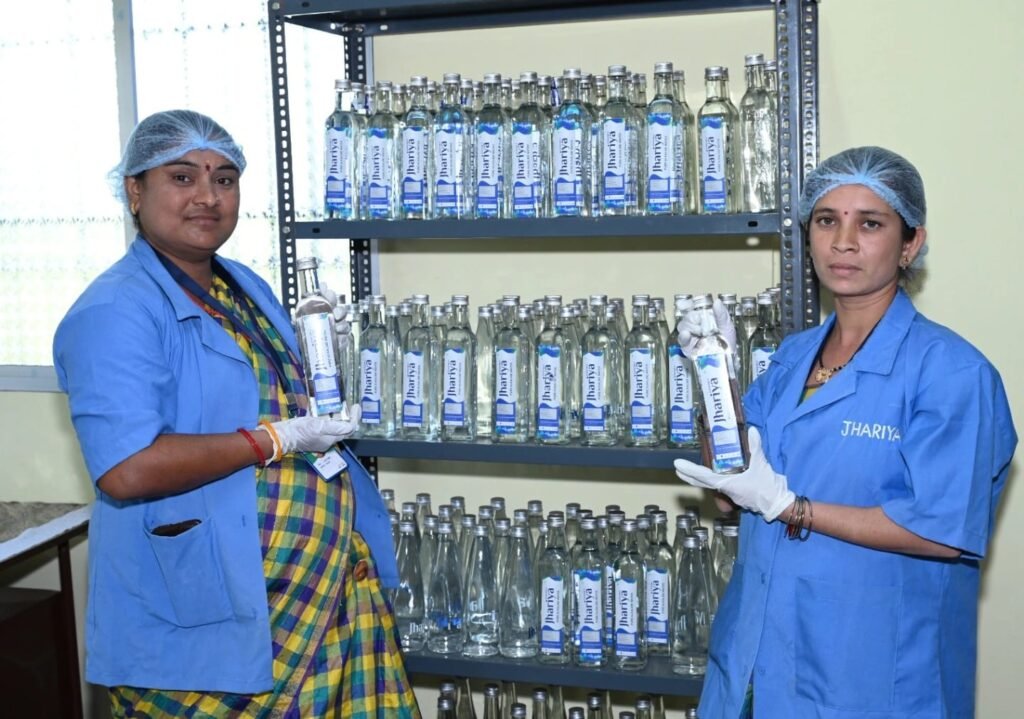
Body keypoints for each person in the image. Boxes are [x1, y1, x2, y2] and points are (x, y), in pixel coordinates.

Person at [54, 110, 420, 717]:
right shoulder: (114, 311)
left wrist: (336, 351)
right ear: (134, 191)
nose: (207, 196)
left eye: (224, 179)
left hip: (312, 585)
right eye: (182, 178)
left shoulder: (240, 284)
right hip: (208, 609)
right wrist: (270, 440)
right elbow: (126, 469)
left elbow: (278, 396)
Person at [673, 146, 1016, 718]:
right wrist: (714, 375)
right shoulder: (791, 358)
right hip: (758, 665)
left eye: (871, 224)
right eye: (827, 220)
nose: (844, 242)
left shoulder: (951, 373)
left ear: (910, 244)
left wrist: (790, 508)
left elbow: (941, 530)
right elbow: (731, 492)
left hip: (872, 676)